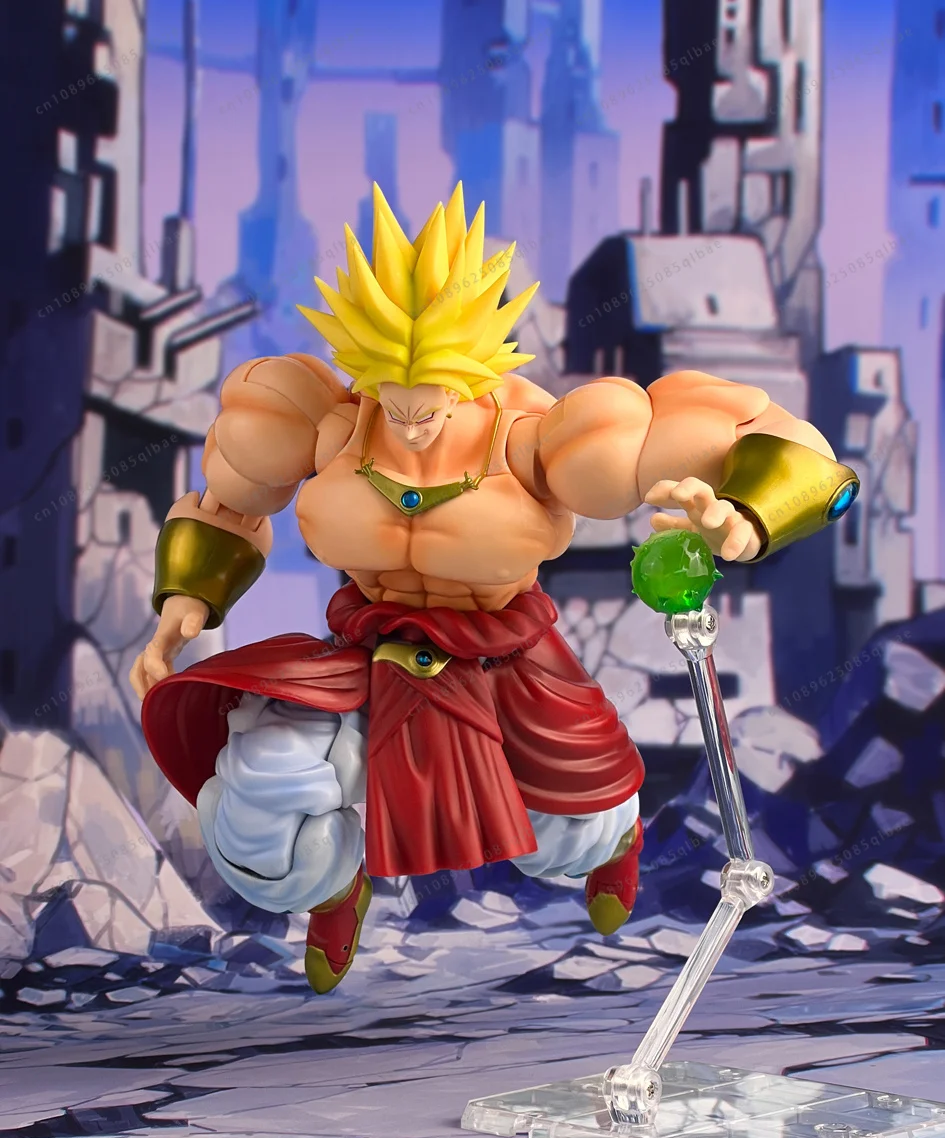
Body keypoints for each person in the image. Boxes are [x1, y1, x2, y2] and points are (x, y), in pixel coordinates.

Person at [131, 183, 859, 994]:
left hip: (501, 659)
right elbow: (227, 502)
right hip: (366, 650)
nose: (410, 427)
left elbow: (769, 439)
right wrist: (185, 602)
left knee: (571, 831)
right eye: (392, 402)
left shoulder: (540, 440)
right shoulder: (325, 422)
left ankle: (613, 841)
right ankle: (334, 892)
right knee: (263, 794)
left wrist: (745, 514)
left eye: (430, 407)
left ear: (470, 377)